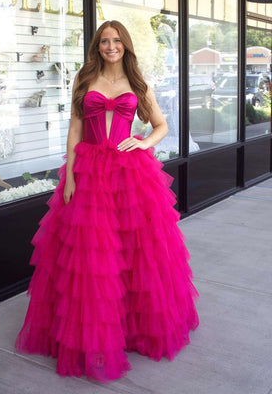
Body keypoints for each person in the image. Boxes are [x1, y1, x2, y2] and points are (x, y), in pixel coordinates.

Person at [15, 20, 199, 383]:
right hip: (90, 171)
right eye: (104, 41)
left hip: (131, 174)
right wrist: (68, 177)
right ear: (97, 46)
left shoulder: (137, 83)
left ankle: (133, 329)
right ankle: (95, 337)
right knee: (92, 256)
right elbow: (75, 129)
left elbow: (160, 125)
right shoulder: (85, 80)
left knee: (138, 251)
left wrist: (144, 142)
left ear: (125, 45)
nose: (110, 46)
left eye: (116, 41)